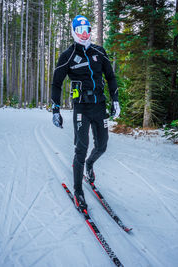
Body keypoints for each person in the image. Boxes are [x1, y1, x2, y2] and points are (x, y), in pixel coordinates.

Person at [51, 15, 120, 211]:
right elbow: (56, 83)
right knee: (80, 149)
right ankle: (78, 191)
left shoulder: (100, 51)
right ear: (73, 32)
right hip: (81, 107)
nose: (84, 34)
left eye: (87, 30)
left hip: (100, 106)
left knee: (102, 146)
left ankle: (90, 164)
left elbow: (111, 76)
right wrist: (55, 109)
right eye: (80, 30)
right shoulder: (68, 55)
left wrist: (115, 100)